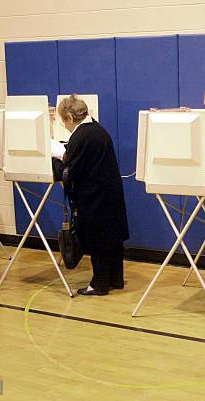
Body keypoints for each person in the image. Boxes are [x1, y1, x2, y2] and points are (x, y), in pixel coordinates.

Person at [53, 95, 129, 296]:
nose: (64, 126)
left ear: (70, 117)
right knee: (112, 241)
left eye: (63, 121)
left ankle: (99, 284)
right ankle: (115, 280)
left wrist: (58, 162)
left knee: (99, 242)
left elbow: (72, 171)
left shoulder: (81, 136)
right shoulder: (97, 129)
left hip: (95, 198)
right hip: (110, 194)